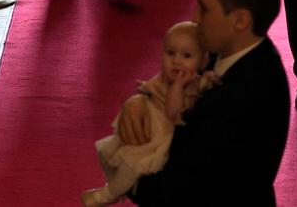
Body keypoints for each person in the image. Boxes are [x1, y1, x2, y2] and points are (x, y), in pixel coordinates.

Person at [123, 0, 291, 206]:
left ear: (240, 20)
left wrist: (126, 164)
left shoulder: (242, 98)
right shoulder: (237, 51)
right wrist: (138, 103)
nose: (194, 17)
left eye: (204, 9)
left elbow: (178, 191)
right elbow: (172, 84)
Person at [82, 21, 211, 206]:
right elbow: (151, 89)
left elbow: (173, 112)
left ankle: (107, 195)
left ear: (203, 61)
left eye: (187, 55)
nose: (176, 61)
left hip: (161, 136)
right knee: (106, 152)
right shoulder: (166, 77)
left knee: (131, 165)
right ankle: (117, 187)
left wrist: (178, 87)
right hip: (149, 123)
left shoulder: (190, 86)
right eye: (170, 53)